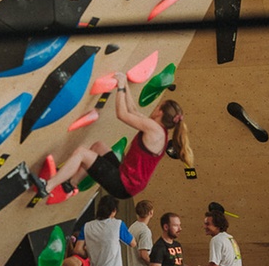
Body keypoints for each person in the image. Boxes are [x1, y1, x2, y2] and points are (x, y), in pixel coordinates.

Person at [43, 75, 193, 203]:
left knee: (81, 153)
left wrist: (120, 88)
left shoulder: (155, 130)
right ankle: (70, 184)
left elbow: (122, 114)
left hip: (123, 185)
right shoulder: (158, 130)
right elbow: (133, 111)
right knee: (98, 147)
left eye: (158, 106)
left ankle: (47, 187)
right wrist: (125, 84)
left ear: (160, 112)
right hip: (126, 177)